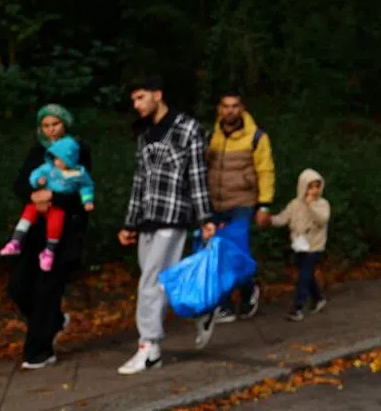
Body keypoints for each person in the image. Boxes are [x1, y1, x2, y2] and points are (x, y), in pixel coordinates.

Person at [117, 76, 217, 375]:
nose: (136, 105)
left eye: (141, 98)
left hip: (174, 215)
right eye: (133, 100)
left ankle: (148, 347)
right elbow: (139, 181)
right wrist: (130, 222)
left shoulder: (187, 128)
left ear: (157, 95)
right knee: (161, 282)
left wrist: (206, 217)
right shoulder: (145, 134)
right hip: (149, 215)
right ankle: (202, 309)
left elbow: (198, 176)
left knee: (149, 282)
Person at [5, 104, 93, 370]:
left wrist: (53, 197)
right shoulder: (37, 152)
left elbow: (83, 190)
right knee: (18, 287)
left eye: (55, 124)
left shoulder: (78, 150)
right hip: (34, 232)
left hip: (62, 232)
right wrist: (34, 195)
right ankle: (53, 321)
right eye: (46, 125)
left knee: (46, 290)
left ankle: (39, 351)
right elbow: (21, 184)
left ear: (65, 124)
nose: (51, 130)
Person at [205, 90, 275, 322]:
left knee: (236, 252)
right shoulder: (211, 137)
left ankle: (247, 290)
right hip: (215, 203)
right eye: (226, 106)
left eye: (234, 106)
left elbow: (265, 170)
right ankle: (223, 305)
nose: (230, 110)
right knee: (215, 252)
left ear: (242, 108)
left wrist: (264, 204)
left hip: (243, 202)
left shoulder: (256, 137)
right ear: (219, 109)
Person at [0, 135, 95, 272]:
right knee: (28, 214)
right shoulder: (48, 168)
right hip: (40, 200)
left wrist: (87, 200)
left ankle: (49, 251)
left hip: (57, 205)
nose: (56, 162)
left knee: (55, 225)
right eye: (55, 158)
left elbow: (87, 186)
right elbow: (35, 174)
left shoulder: (79, 173)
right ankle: (15, 241)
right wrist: (37, 181)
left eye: (60, 159)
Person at [266, 168, 330, 321]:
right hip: (299, 245)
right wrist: (270, 220)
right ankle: (318, 298)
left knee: (304, 274)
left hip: (314, 246)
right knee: (305, 274)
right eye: (310, 186)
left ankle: (298, 306)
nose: (314, 190)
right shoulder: (295, 204)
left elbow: (322, 220)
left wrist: (310, 206)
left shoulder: (322, 204)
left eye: (316, 186)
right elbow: (283, 218)